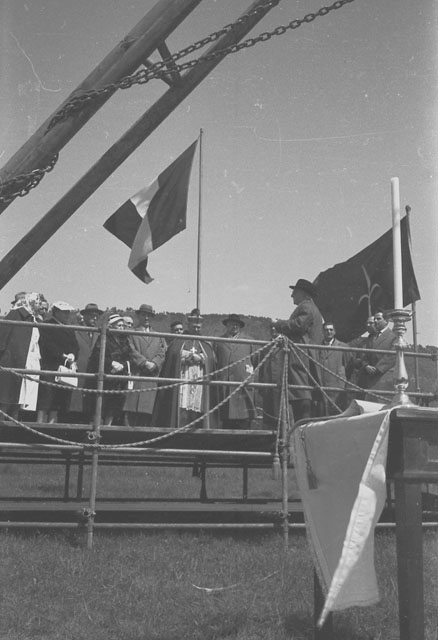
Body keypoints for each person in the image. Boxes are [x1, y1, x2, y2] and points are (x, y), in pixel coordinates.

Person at [152, 309, 218, 429]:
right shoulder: (178, 341)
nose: (196, 329)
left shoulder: (205, 343)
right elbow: (173, 355)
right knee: (181, 411)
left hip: (199, 382)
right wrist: (187, 357)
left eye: (198, 327)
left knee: (197, 412)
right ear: (188, 324)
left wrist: (201, 358)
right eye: (194, 326)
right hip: (183, 381)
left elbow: (211, 359)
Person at [275, 278, 324, 421]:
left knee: (301, 394)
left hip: (301, 358)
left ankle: (301, 427)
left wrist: (278, 324)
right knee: (302, 393)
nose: (292, 295)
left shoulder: (306, 307)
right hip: (306, 357)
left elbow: (299, 325)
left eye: (295, 292)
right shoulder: (311, 308)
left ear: (303, 293)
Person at [0, 293, 44, 419]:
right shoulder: (16, 314)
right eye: (38, 303)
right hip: (13, 361)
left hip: (28, 361)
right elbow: (3, 335)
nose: (41, 306)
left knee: (20, 398)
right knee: (7, 398)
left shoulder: (34, 319)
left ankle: (13, 425)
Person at [123, 304, 166, 426]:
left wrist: (154, 364)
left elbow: (162, 352)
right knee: (131, 411)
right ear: (138, 316)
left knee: (147, 413)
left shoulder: (159, 336)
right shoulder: (131, 333)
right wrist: (144, 362)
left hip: (151, 378)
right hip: (136, 375)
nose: (146, 318)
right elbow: (130, 349)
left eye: (149, 315)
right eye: (143, 315)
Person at [36, 301, 79, 424]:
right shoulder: (46, 326)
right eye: (64, 312)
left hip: (65, 367)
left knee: (58, 400)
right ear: (56, 312)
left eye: (68, 312)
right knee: (45, 399)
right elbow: (46, 345)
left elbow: (75, 346)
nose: (67, 315)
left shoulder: (69, 328)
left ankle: (52, 426)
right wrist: (62, 356)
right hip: (50, 365)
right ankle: (39, 425)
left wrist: (73, 355)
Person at [87, 314, 131, 425]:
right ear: (111, 326)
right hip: (106, 375)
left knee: (113, 406)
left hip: (118, 377)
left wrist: (123, 365)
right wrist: (111, 363)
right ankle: (97, 427)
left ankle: (108, 426)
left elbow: (128, 355)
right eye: (119, 325)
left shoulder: (124, 340)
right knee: (101, 403)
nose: (122, 328)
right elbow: (97, 355)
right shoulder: (103, 338)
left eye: (122, 325)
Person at [214, 313, 256, 430]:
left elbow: (256, 361)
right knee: (225, 419)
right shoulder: (218, 342)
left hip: (243, 385)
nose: (235, 326)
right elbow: (214, 362)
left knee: (244, 419)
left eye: (237, 324)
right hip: (225, 386)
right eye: (232, 324)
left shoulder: (249, 341)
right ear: (227, 325)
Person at [69, 303, 103, 421]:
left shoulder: (99, 333)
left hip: (93, 373)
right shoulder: (75, 330)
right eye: (92, 316)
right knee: (74, 403)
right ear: (85, 316)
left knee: (89, 405)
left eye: (97, 316)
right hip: (78, 370)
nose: (95, 318)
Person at [257, 321, 292, 429]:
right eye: (271, 327)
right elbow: (261, 367)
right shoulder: (265, 346)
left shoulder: (287, 345)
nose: (273, 329)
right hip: (268, 385)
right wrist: (261, 385)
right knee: (269, 414)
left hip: (282, 384)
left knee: (282, 414)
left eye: (275, 327)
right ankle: (270, 436)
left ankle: (283, 434)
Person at [358, 310, 396, 400]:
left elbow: (392, 356)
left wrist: (377, 369)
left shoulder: (393, 336)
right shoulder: (372, 337)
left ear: (386, 321)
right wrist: (366, 365)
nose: (375, 321)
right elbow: (365, 355)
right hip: (369, 378)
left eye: (378, 319)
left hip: (384, 376)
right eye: (374, 319)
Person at [315, 322, 349, 416]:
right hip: (322, 385)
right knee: (322, 413)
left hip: (337, 386)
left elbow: (349, 366)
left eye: (331, 330)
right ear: (322, 332)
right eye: (326, 330)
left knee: (337, 413)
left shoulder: (343, 346)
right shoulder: (317, 347)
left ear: (334, 332)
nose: (329, 332)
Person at [345, 315, 376, 402]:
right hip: (363, 379)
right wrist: (364, 365)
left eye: (371, 323)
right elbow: (357, 360)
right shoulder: (362, 343)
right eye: (367, 323)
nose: (368, 325)